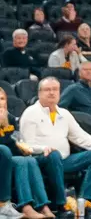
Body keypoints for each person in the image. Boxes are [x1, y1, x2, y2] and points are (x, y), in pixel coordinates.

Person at [18, 77, 91, 213]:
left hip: (64, 160)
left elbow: (79, 136)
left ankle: (86, 201)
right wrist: (44, 148)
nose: (51, 93)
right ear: (39, 93)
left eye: (55, 89)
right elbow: (26, 144)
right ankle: (62, 203)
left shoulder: (64, 113)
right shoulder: (30, 113)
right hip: (39, 160)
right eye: (47, 90)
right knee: (54, 155)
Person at [0, 87, 52, 219]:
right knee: (20, 160)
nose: (0, 102)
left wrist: (22, 148)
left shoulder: (10, 119)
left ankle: (43, 206)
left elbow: (14, 142)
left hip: (8, 157)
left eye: (2, 99)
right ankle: (26, 206)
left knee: (30, 159)